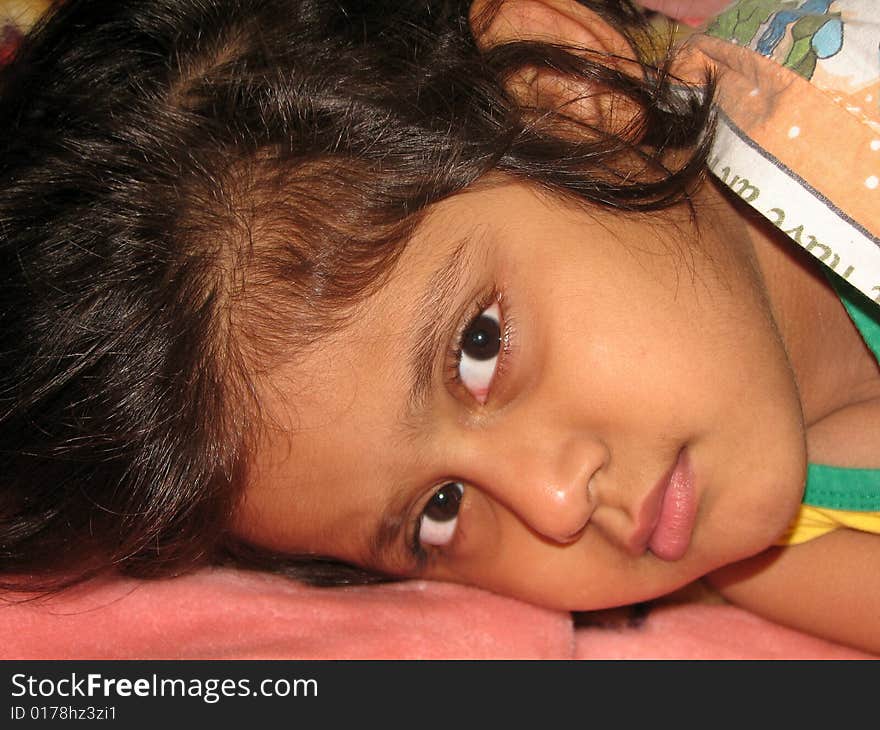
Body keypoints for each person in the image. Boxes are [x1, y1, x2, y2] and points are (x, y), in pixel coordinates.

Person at [0, 0, 877, 654]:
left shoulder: (852, 105)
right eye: (438, 513)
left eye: (479, 349)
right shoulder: (760, 552)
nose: (557, 504)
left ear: (572, 94)